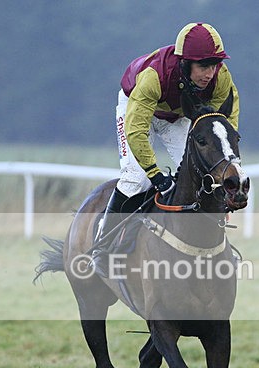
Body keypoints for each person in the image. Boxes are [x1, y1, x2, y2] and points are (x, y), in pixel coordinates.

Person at [95, 22, 240, 244]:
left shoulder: (221, 79)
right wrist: (155, 174)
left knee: (205, 167)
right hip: (136, 109)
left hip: (174, 116)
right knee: (137, 178)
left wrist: (226, 164)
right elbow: (136, 131)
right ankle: (101, 245)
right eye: (203, 66)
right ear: (185, 63)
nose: (210, 73)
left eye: (214, 65)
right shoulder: (154, 77)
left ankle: (212, 244)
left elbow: (223, 128)